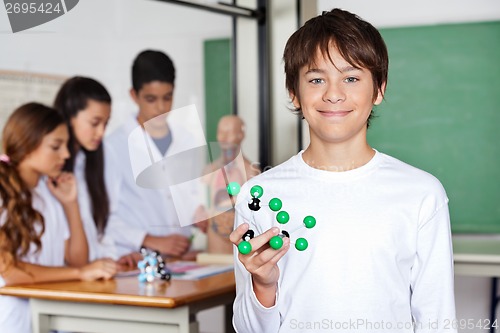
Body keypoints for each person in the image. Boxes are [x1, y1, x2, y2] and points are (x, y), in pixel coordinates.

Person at [229, 8, 456, 333]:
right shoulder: (259, 196)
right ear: (294, 91)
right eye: (316, 79)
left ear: (378, 89)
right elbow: (248, 329)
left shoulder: (421, 194)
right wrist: (262, 285)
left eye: (351, 78)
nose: (333, 94)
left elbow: (438, 322)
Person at [0, 103, 117, 333]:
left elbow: (76, 259)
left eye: (65, 145)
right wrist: (80, 274)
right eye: (56, 146)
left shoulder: (48, 191)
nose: (65, 154)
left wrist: (70, 204)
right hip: (14, 319)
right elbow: (10, 271)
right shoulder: (3, 193)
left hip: (51, 313)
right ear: (28, 146)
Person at [105, 50, 206, 259]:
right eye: (151, 99)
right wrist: (149, 239)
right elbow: (103, 218)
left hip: (182, 259)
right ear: (134, 95)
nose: (160, 108)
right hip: (135, 259)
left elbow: (190, 196)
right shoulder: (113, 147)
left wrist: (198, 213)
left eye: (167, 98)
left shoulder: (186, 139)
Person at [54, 76, 117, 261]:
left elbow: (99, 227)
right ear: (70, 116)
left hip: (92, 273)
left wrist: (109, 258)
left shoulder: (90, 162)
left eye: (106, 123)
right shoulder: (51, 172)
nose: (101, 132)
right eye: (95, 123)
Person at [203, 115, 259, 253]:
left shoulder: (251, 171)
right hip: (215, 239)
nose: (223, 138)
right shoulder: (209, 170)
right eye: (221, 132)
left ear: (240, 135)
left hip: (240, 238)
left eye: (229, 133)